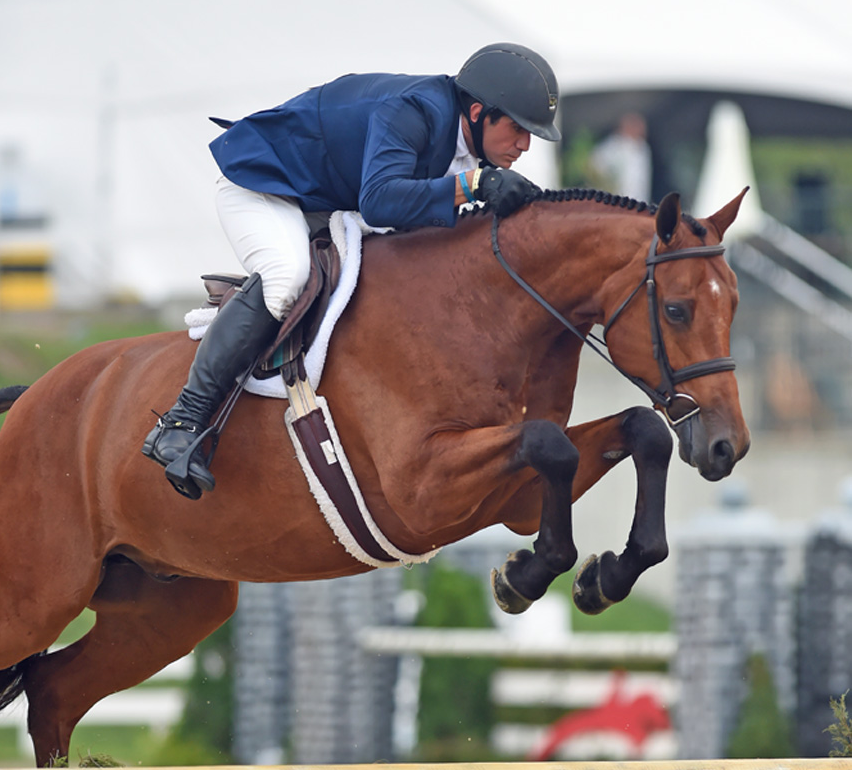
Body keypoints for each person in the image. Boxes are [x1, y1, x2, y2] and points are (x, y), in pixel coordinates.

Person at [142, 42, 561, 499]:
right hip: (262, 186)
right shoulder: (414, 112)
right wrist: (474, 185)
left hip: (325, 202)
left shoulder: (465, 142)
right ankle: (183, 421)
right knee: (287, 278)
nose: (524, 145)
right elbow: (380, 201)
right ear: (479, 112)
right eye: (519, 129)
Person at [589, 112, 652, 202]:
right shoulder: (613, 146)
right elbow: (594, 164)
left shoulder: (643, 148)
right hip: (618, 202)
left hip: (639, 202)